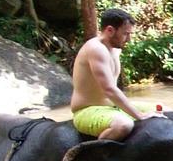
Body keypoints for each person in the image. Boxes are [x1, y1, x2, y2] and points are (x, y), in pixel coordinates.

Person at [70, 8, 164, 140]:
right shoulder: (95, 49)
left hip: (112, 107)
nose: (129, 39)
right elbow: (109, 89)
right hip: (87, 110)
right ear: (110, 30)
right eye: (126, 34)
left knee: (166, 111)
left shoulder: (115, 50)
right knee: (123, 125)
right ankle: (93, 156)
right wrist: (140, 115)